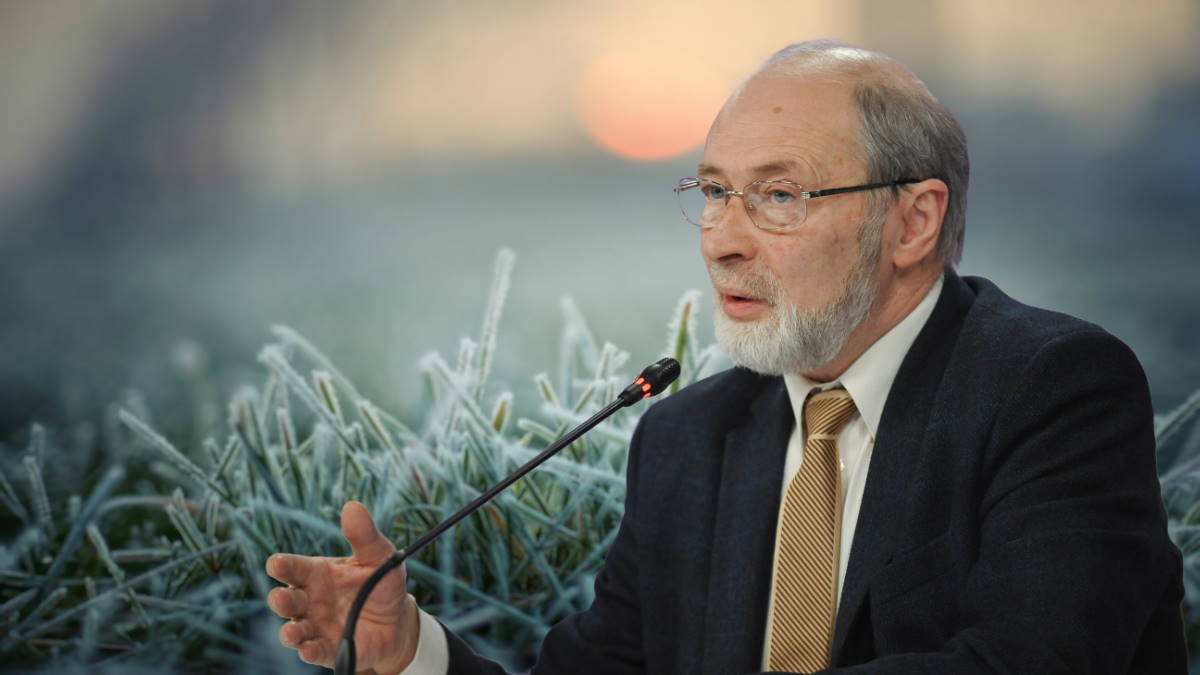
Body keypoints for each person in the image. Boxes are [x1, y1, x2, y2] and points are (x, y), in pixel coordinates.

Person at [264, 40, 1187, 674]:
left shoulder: (1053, 389)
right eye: (713, 192)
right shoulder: (686, 439)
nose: (722, 241)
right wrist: (413, 649)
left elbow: (1029, 660)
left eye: (778, 196)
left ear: (913, 222)